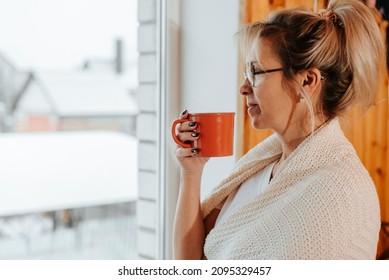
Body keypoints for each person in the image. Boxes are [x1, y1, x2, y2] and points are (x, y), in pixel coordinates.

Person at [173, 0, 384, 260]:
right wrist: (191, 174)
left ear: (306, 81)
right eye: (246, 72)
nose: (244, 87)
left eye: (256, 72)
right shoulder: (259, 165)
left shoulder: (341, 194)